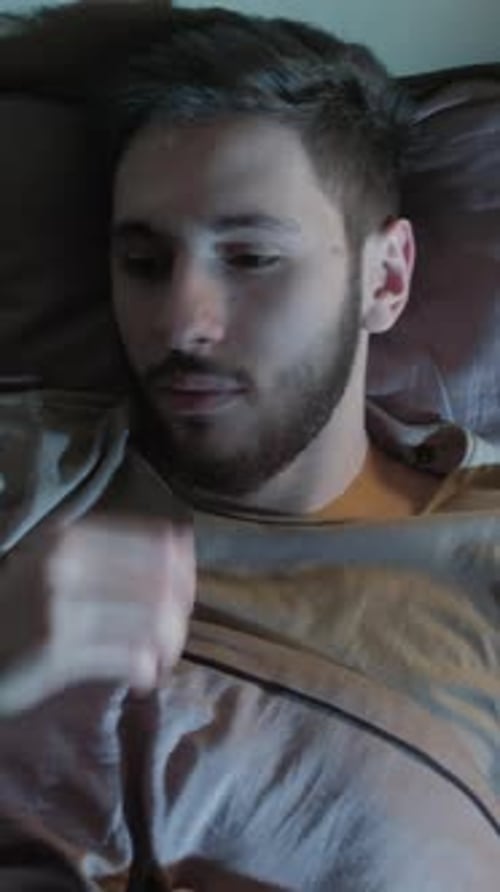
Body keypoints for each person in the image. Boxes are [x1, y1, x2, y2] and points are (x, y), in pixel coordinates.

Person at [0, 6, 499, 891]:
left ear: (384, 278)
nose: (181, 325)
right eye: (145, 263)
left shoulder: (481, 549)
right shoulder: (31, 471)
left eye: (251, 257)